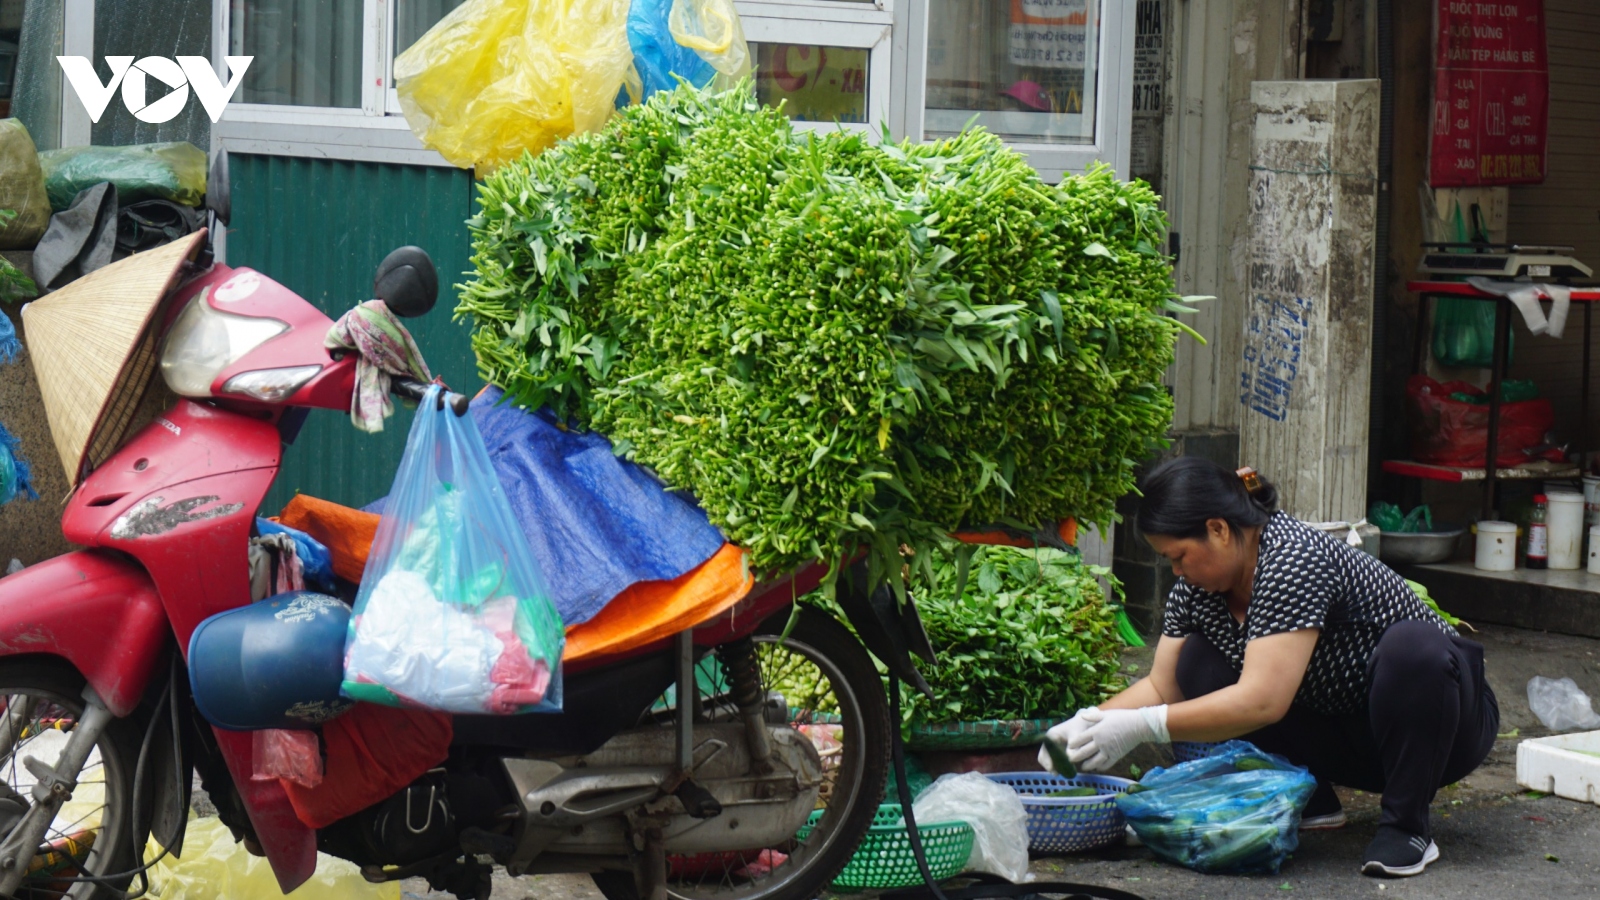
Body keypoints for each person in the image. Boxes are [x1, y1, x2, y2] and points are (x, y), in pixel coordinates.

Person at [1039, 457, 1498, 878]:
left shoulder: (1292, 557)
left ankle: (1407, 826)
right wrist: (1087, 725)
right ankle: (1313, 798)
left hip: (1440, 729)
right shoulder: (1197, 590)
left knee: (1412, 649)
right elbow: (1163, 686)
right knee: (1197, 663)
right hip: (1347, 735)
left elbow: (1262, 699)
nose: (1176, 572)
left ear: (1218, 529)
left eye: (1179, 556)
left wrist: (1141, 727)